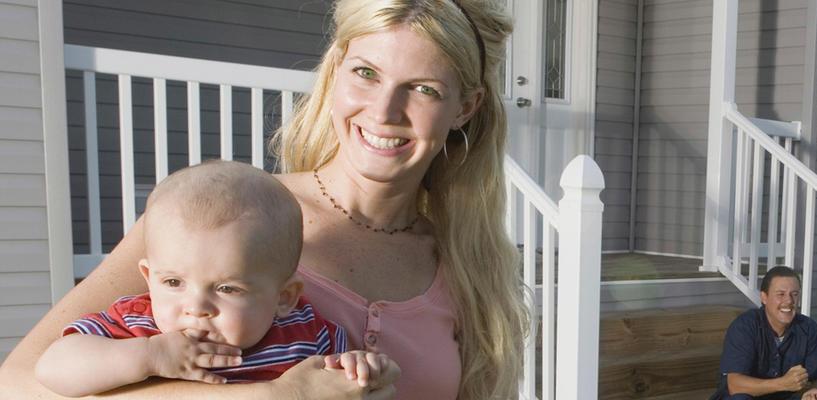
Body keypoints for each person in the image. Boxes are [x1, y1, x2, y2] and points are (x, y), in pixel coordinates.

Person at [0, 1, 526, 398]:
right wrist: (271, 397)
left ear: (466, 107)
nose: (385, 109)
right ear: (336, 70)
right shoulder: (217, 221)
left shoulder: (467, 266)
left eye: (424, 89)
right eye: (366, 72)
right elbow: (20, 384)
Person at [34, 161, 395, 397]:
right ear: (148, 277)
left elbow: (345, 383)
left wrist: (361, 368)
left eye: (227, 289)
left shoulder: (308, 335)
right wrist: (147, 356)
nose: (196, 308)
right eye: (173, 282)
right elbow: (52, 368)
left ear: (284, 297)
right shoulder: (137, 326)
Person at [713, 267, 817, 400]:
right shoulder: (745, 327)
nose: (789, 301)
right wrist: (783, 383)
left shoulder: (808, 327)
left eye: (794, 294)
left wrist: (813, 392)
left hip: (791, 397)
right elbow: (735, 386)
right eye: (780, 294)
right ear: (764, 297)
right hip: (750, 397)